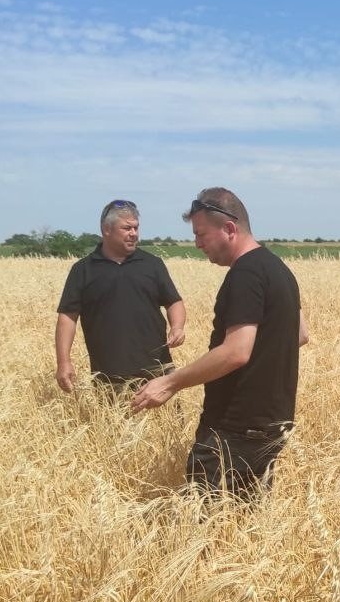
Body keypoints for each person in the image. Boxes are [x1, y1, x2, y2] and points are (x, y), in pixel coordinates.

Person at [132, 188, 309, 499]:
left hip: (234, 428)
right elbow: (299, 334)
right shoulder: (278, 269)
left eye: (201, 234)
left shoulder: (245, 274)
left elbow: (236, 351)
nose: (197, 243)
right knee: (244, 530)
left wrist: (170, 382)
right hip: (271, 425)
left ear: (229, 229)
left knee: (206, 531)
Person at [55, 199, 186, 391]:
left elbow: (174, 302)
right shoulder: (83, 270)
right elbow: (68, 317)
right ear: (106, 229)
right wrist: (63, 362)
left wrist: (177, 327)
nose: (134, 234)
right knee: (111, 420)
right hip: (108, 373)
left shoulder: (152, 264)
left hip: (157, 370)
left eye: (136, 228)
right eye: (127, 228)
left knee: (166, 421)